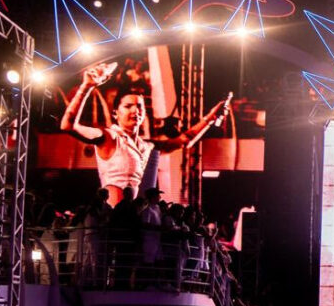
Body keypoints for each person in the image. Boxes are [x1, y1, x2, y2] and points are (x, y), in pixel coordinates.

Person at [60, 62, 231, 206]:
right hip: (113, 215)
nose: (135, 110)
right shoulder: (109, 137)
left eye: (139, 106)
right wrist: (86, 87)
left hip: (137, 215)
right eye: (128, 106)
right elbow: (68, 125)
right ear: (115, 113)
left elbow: (184, 140)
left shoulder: (147, 146)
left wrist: (211, 118)